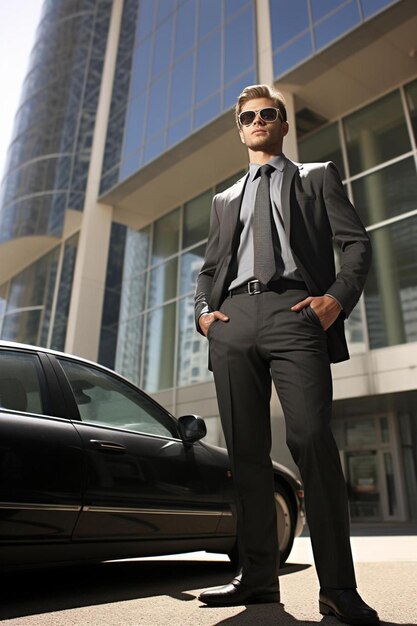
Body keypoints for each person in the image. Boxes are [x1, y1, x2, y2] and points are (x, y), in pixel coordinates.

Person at [194, 84, 379, 625]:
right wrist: (203, 314)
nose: (257, 121)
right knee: (246, 457)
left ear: (282, 123)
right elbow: (209, 269)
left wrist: (335, 301)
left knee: (311, 439)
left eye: (267, 113)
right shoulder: (223, 200)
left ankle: (337, 588)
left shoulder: (316, 176)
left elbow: (357, 243)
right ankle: (257, 581)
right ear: (239, 126)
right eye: (248, 116)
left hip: (296, 313)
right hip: (231, 322)